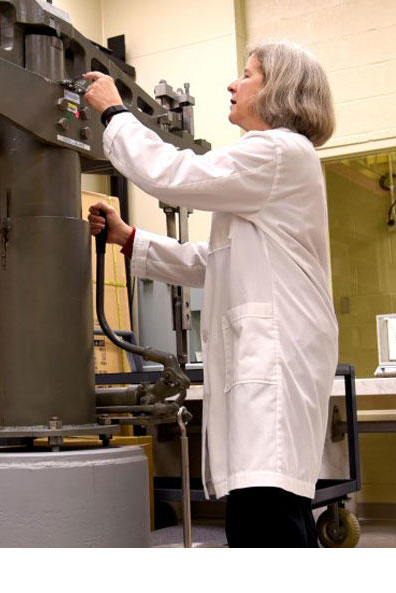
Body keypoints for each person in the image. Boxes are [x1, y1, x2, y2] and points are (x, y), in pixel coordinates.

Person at [83, 41, 338, 548]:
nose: (232, 84)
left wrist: (115, 111)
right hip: (271, 365)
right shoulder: (270, 169)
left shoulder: (279, 152)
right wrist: (131, 240)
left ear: (278, 91)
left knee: (266, 518)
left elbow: (173, 175)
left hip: (276, 367)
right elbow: (212, 263)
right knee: (270, 514)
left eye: (247, 75)